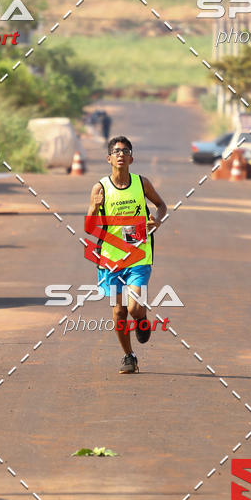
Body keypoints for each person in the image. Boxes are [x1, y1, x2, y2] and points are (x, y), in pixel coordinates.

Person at [86, 135, 167, 373]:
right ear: (109, 158)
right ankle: (129, 356)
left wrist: (157, 220)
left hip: (139, 255)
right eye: (117, 151)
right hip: (110, 258)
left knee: (132, 308)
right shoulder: (100, 188)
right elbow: (91, 226)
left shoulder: (141, 183)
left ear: (131, 158)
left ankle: (141, 320)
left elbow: (161, 205)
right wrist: (94, 206)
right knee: (119, 310)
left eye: (126, 151)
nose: (121, 154)